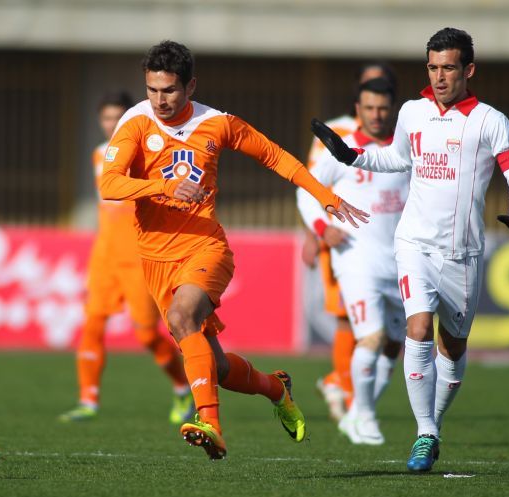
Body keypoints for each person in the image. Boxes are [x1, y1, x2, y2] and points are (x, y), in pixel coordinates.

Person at [99, 40, 368, 460]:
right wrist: (163, 186)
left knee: (182, 316)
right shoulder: (135, 122)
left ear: (190, 86)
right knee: (218, 368)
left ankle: (211, 424)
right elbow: (109, 183)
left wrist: (325, 196)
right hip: (155, 258)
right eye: (152, 90)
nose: (159, 100)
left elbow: (275, 156)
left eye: (169, 90)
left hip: (205, 247)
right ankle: (276, 388)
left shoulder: (217, 123)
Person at [312, 27, 509, 471]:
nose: (439, 76)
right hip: (413, 244)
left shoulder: (490, 120)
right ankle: (425, 432)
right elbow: (396, 158)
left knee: (452, 348)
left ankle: (434, 426)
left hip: (463, 254)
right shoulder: (412, 112)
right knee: (417, 328)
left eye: (448, 68)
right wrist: (351, 156)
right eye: (432, 67)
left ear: (468, 70)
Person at [59, 91, 195, 424]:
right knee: (92, 324)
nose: (111, 124)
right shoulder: (98, 154)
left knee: (147, 334)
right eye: (106, 118)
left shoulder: (147, 153)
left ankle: (181, 386)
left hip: (138, 256)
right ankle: (88, 400)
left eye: (117, 118)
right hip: (105, 255)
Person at [299, 78, 409, 445]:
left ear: (392, 110)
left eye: (383, 108)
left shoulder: (405, 150)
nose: (377, 114)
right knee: (371, 337)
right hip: (355, 259)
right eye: (370, 108)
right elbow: (306, 190)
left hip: (400, 261)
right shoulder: (341, 151)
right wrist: (321, 228)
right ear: (358, 110)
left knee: (393, 344)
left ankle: (357, 413)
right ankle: (364, 415)